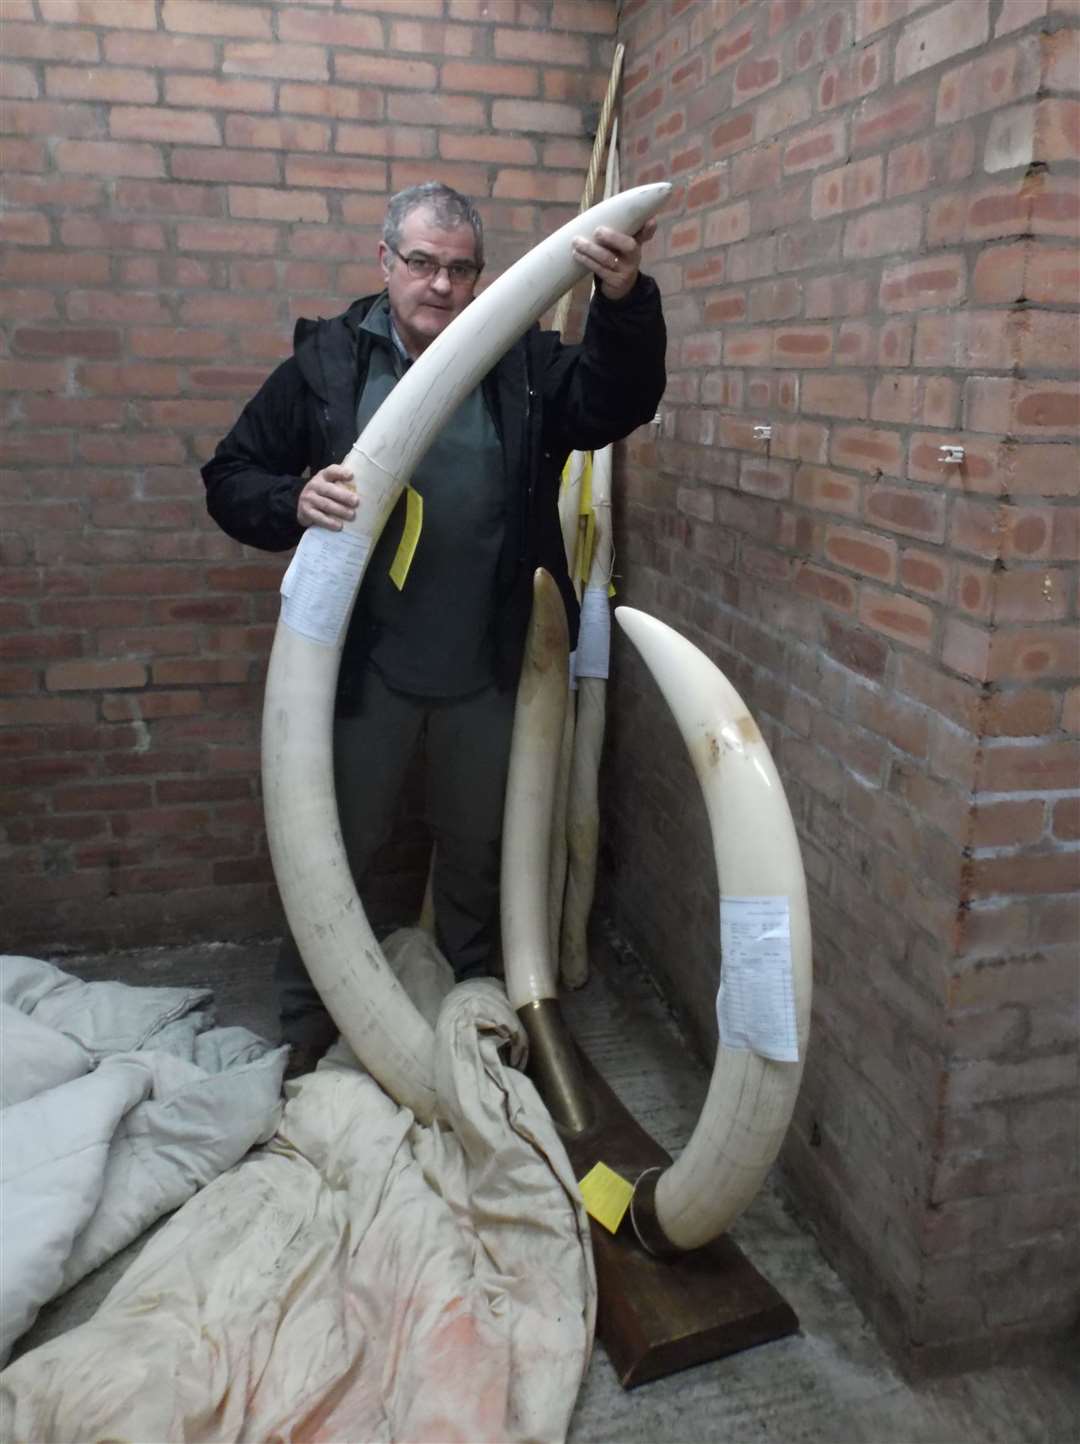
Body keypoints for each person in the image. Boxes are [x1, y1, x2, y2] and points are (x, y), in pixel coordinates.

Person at [203, 181, 666, 1075]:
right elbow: (230, 474)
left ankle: (472, 1019)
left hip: (490, 664)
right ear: (386, 264)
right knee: (328, 842)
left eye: (461, 269)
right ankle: (305, 1024)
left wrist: (624, 302)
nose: (443, 286)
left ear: (483, 276)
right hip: (362, 670)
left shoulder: (522, 365)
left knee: (480, 849)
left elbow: (618, 402)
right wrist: (289, 498)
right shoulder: (329, 365)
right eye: (422, 264)